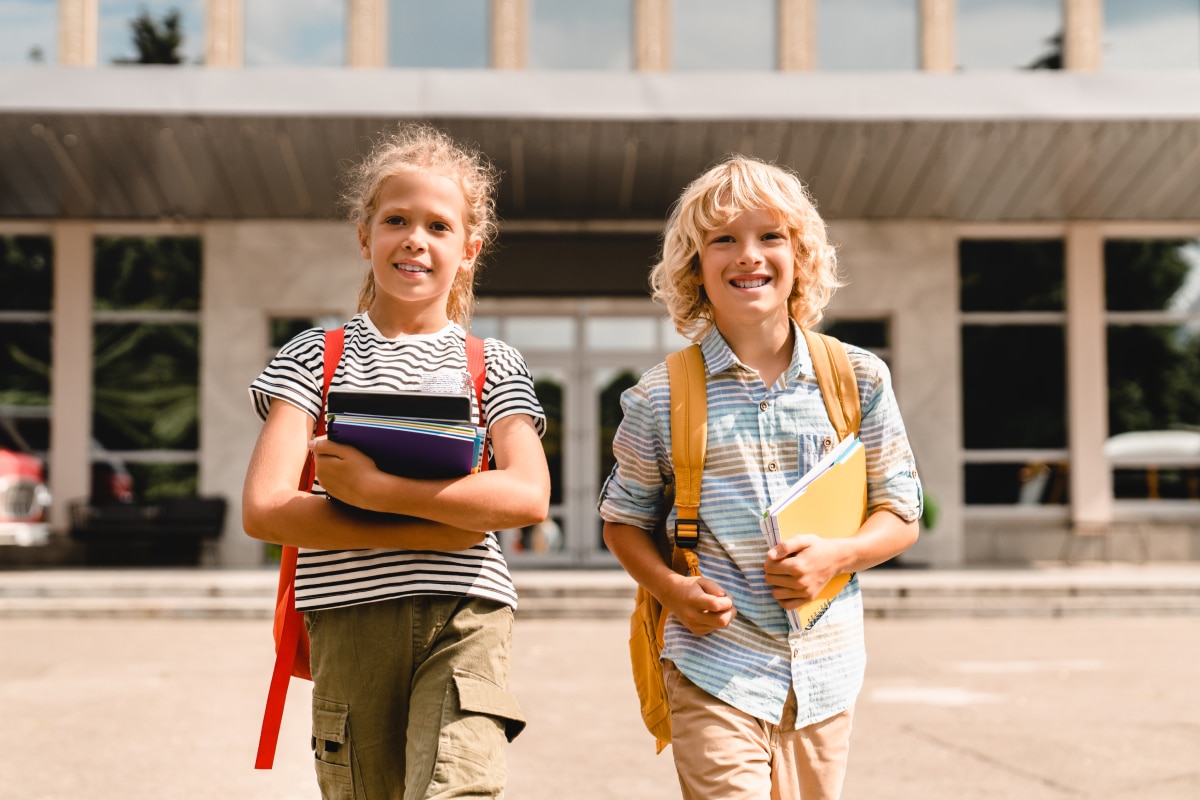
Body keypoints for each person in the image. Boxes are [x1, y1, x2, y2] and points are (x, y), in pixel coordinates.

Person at [599, 155, 922, 800]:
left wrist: (840, 554)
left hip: (825, 675)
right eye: (724, 239)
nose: (749, 255)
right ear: (695, 266)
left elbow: (901, 512)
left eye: (769, 236)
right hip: (711, 667)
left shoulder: (858, 379)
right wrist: (671, 589)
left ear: (800, 256)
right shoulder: (661, 397)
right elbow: (622, 522)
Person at [242, 123, 551, 800]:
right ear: (365, 237)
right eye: (396, 220)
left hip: (467, 614)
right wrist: (433, 526)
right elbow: (265, 509)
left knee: (457, 790)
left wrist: (376, 489)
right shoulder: (312, 357)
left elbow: (527, 495)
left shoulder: (493, 364)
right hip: (349, 619)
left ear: (468, 250)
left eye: (438, 226)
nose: (415, 238)